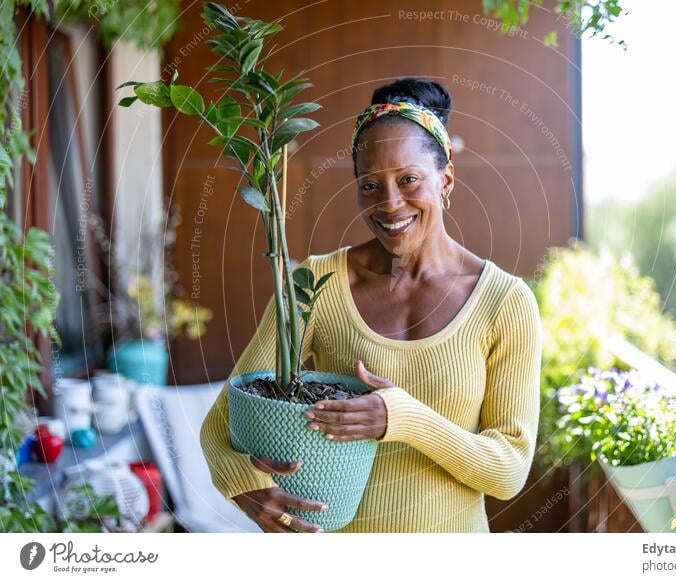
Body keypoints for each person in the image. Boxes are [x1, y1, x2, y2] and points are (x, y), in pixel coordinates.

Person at [200, 77, 542, 533]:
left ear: (447, 176)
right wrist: (247, 488)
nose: (390, 203)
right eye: (370, 185)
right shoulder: (317, 283)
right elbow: (221, 423)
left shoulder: (504, 302)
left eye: (408, 179)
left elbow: (508, 471)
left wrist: (399, 418)